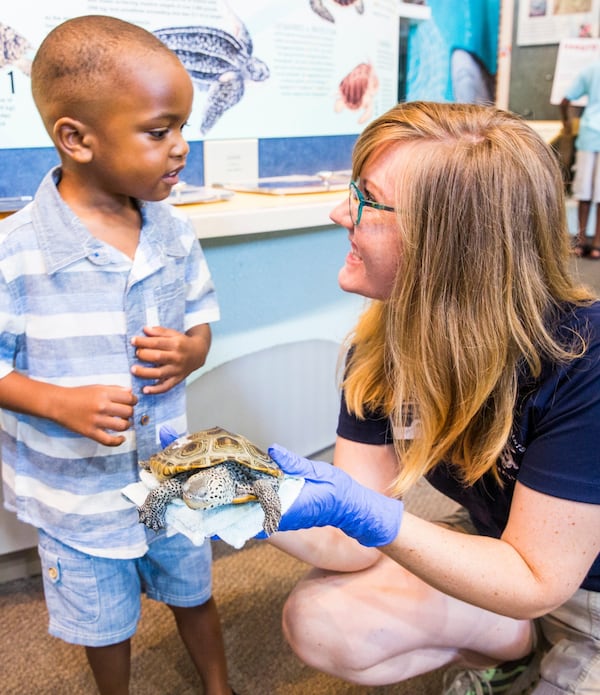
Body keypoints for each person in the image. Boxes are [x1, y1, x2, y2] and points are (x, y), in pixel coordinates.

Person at [232, 102, 600, 695]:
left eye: (368, 200)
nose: (338, 212)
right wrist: (246, 495)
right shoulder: (385, 346)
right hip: (502, 552)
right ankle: (513, 646)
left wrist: (377, 518)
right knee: (319, 623)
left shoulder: (586, 358)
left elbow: (538, 575)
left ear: (454, 241)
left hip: (580, 591)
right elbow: (345, 544)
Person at [0, 15, 235, 695]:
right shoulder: (16, 253)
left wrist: (188, 353)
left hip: (171, 473)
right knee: (102, 620)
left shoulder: (174, 233)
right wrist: (57, 400)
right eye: (159, 131)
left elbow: (202, 324)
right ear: (76, 138)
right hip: (77, 494)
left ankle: (218, 685)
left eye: (182, 128)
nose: (181, 148)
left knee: (194, 584)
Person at [560, 58, 600, 258]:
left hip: (589, 132)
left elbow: (565, 99)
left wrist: (566, 122)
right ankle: (597, 244)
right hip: (590, 136)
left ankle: (581, 240)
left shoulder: (591, 69)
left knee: (584, 189)